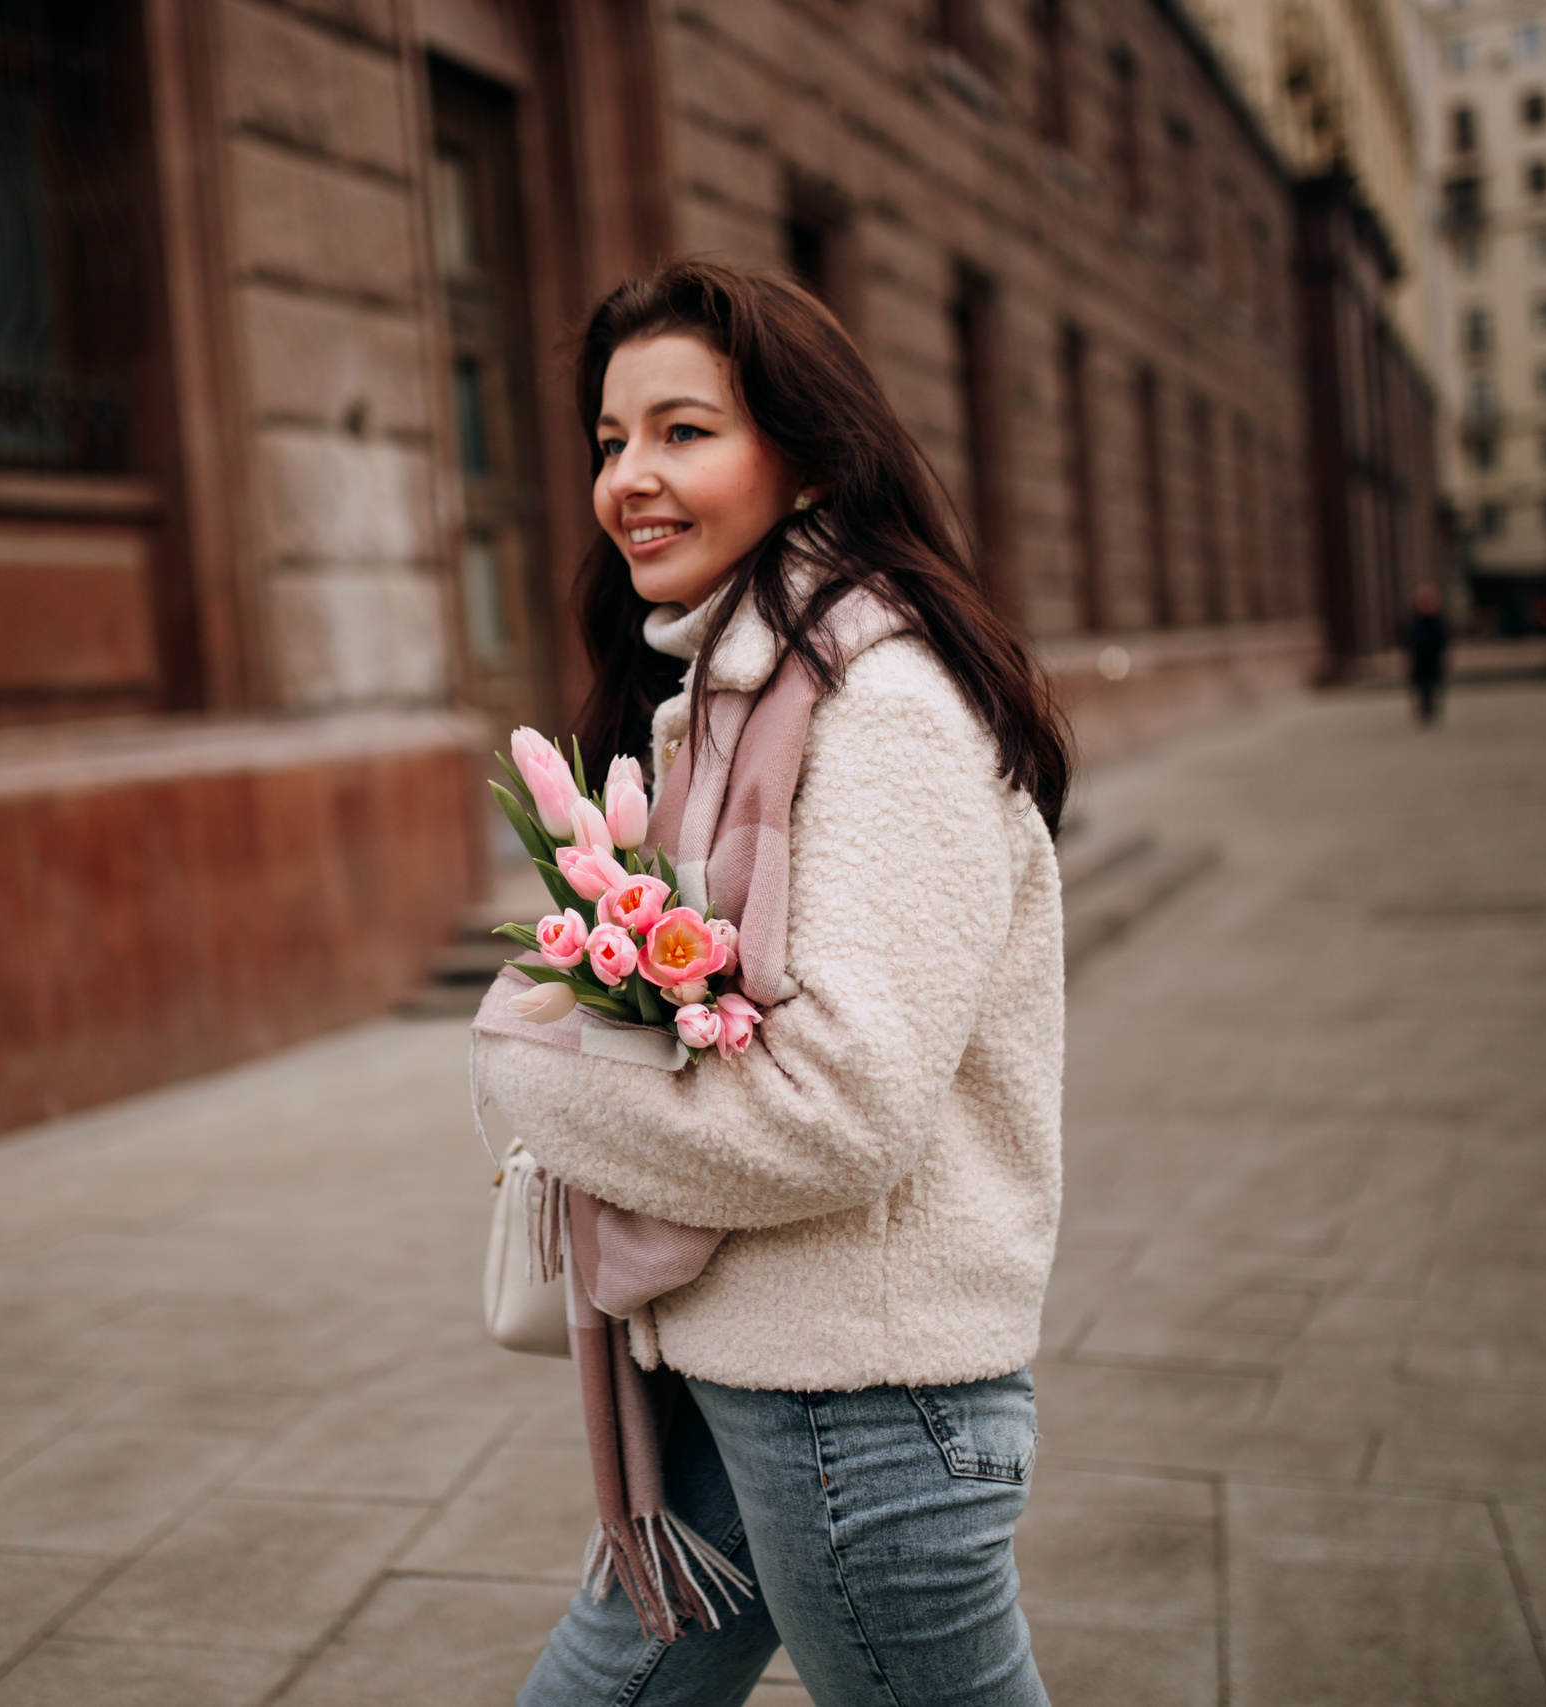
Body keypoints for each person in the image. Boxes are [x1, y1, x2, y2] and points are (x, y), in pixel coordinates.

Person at [478, 261, 1069, 1707]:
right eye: (611, 440)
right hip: (744, 1373)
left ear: (803, 453)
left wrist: (529, 1075)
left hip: (859, 1409)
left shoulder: (882, 709)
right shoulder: (734, 696)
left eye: (684, 431)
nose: (631, 477)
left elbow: (841, 1106)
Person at [1406, 583, 1449, 725]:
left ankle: (1429, 708)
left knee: (1432, 684)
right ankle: (1425, 708)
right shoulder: (1416, 621)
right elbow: (1410, 640)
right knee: (1423, 685)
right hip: (1421, 659)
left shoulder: (1436, 621)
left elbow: (1442, 639)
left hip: (1433, 658)